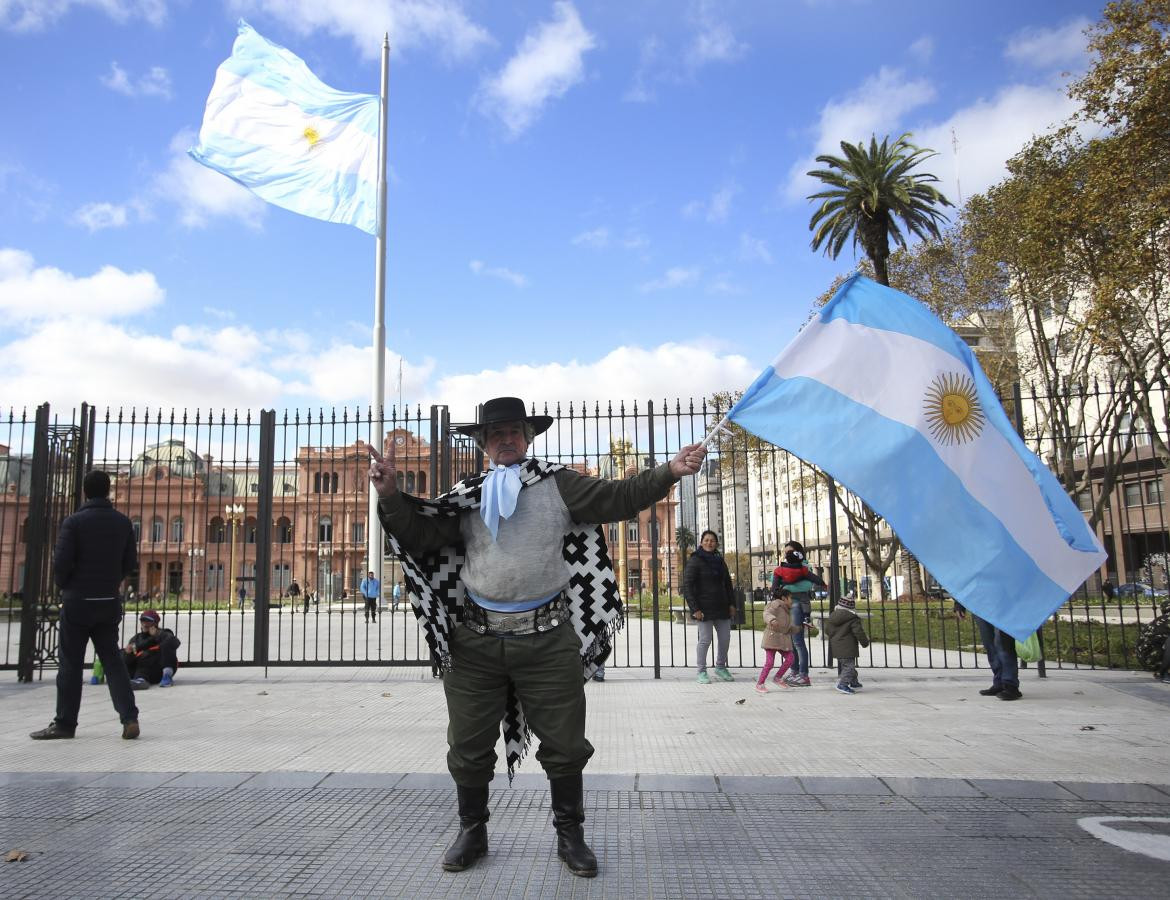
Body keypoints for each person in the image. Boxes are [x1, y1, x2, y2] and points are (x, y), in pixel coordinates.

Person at [367, 395, 705, 878]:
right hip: (476, 643)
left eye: (515, 432)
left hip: (547, 641)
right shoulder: (469, 492)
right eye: (496, 433)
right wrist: (392, 496)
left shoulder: (558, 484)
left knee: (566, 745)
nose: (506, 440)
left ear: (528, 437)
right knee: (467, 744)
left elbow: (618, 498)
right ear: (483, 442)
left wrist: (668, 471)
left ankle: (571, 835)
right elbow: (420, 539)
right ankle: (472, 831)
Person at [30, 470, 140, 741]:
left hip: (78, 601)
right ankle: (129, 717)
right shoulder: (123, 522)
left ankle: (65, 723)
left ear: (85, 492)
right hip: (107, 601)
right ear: (108, 491)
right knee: (113, 663)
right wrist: (112, 581)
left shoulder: (74, 522)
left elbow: (61, 562)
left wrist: (65, 586)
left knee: (71, 664)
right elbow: (130, 563)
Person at [683, 530, 737, 684]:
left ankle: (720, 667)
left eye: (712, 540)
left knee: (725, 639)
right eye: (706, 540)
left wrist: (732, 604)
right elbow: (688, 586)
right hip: (703, 608)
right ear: (701, 542)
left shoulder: (720, 561)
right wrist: (695, 609)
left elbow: (727, 584)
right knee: (705, 640)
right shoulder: (695, 560)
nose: (709, 543)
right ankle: (701, 671)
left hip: (722, 606)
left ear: (716, 544)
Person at [772, 541, 824, 687]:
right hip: (784, 607)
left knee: (798, 641)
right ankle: (794, 671)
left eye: (790, 552)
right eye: (785, 552)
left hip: (797, 605)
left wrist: (785, 585)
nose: (787, 555)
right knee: (790, 642)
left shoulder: (805, 566)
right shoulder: (783, 567)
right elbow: (773, 582)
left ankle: (804, 675)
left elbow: (806, 585)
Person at [955, 602, 1021, 701]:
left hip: (1003, 603)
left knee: (1003, 643)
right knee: (990, 644)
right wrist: (959, 604)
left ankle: (1010, 684)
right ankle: (999, 682)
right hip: (980, 603)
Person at [756, 587, 799, 693]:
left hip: (782, 639)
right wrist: (772, 620)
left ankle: (777, 677)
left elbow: (788, 628)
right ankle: (760, 684)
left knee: (790, 658)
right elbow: (766, 613)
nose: (791, 600)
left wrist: (801, 627)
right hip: (771, 638)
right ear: (784, 598)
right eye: (790, 598)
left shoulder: (786, 610)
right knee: (769, 663)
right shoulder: (775, 605)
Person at [124, 609, 181, 688]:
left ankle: (166, 676)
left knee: (166, 643)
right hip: (141, 669)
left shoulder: (164, 633)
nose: (144, 623)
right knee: (122, 654)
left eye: (148, 621)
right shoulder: (136, 639)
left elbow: (175, 643)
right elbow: (131, 659)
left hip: (158, 669)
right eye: (143, 620)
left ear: (155, 623)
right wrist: (128, 653)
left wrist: (157, 635)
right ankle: (139, 680)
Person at [825, 594, 869, 694]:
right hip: (848, 647)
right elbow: (858, 632)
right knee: (849, 667)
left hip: (836, 647)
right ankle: (843, 684)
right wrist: (865, 642)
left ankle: (854, 682)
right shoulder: (853, 618)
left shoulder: (832, 617)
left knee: (848, 666)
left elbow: (827, 630)